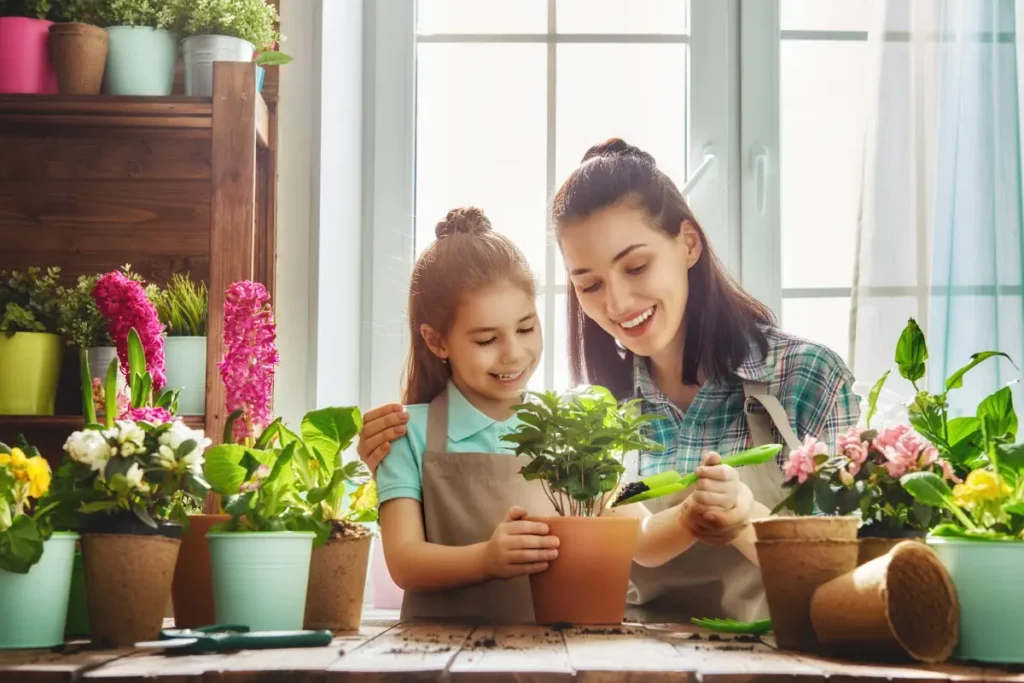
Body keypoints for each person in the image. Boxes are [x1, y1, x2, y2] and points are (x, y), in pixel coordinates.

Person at [361, 140, 860, 624]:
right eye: (590, 284)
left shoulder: (805, 378)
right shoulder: (592, 416)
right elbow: (632, 541)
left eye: (637, 266)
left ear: (688, 242)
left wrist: (746, 519)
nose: (618, 303)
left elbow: (846, 576)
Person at [374, 205, 748, 624]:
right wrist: (486, 559)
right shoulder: (407, 434)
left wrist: (690, 515)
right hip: (435, 659)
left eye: (526, 328)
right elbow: (405, 562)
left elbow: (639, 540)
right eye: (486, 339)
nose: (513, 353)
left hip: (548, 659)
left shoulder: (571, 428)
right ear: (436, 341)